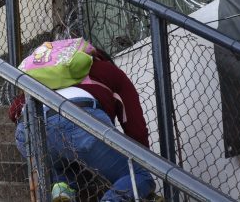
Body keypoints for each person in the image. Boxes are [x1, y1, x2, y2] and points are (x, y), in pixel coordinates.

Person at [9, 41, 155, 202]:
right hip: (78, 123)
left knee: (60, 156)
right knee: (139, 175)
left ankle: (61, 187)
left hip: (29, 131)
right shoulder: (108, 70)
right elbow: (135, 127)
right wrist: (141, 160)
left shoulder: (46, 77)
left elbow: (13, 111)